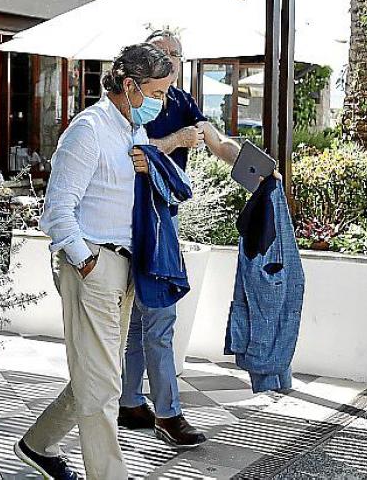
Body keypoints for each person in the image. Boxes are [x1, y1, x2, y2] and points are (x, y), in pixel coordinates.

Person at [13, 43, 173, 480]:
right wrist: (87, 263)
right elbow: (56, 211)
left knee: (99, 375)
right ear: (129, 85)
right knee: (102, 386)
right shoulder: (88, 130)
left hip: (125, 266)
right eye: (157, 92)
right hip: (94, 264)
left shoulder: (133, 130)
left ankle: (37, 445)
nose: (162, 101)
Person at [118, 30, 245, 448]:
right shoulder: (133, 100)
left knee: (145, 317)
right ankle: (168, 414)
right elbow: (133, 152)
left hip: (161, 218)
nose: (170, 59)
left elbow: (218, 144)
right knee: (160, 316)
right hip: (134, 220)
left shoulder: (182, 101)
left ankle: (130, 401)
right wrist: (176, 141)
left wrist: (257, 169)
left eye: (176, 53)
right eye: (162, 52)